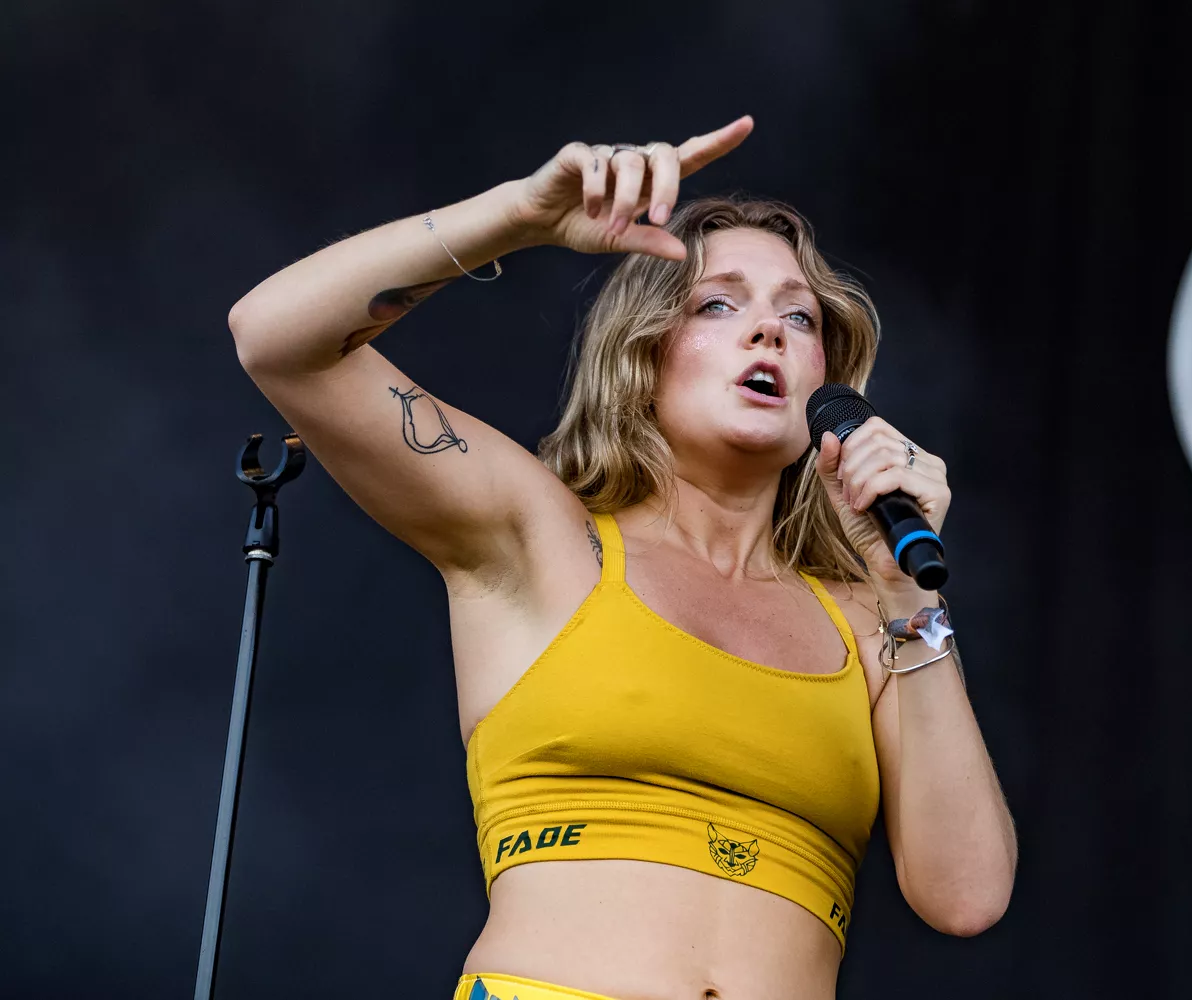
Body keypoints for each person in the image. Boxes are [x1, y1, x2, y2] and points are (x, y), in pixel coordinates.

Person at [228, 115, 1015, 1000]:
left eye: (798, 316)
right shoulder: (542, 537)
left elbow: (967, 897)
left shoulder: (873, 618)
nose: (769, 331)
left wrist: (908, 592)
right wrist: (518, 216)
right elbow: (275, 338)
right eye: (719, 304)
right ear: (642, 354)